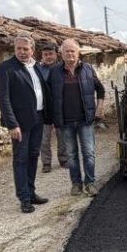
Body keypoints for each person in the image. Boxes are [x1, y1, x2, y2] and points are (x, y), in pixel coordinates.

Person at [0, 33, 50, 213]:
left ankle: (31, 192)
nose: (22, 52)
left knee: (33, 156)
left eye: (26, 49)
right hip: (20, 123)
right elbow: (3, 98)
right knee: (20, 160)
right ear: (14, 49)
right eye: (18, 48)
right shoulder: (6, 68)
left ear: (32, 50)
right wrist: (12, 124)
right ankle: (24, 198)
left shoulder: (36, 67)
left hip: (38, 118)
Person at [47, 38, 105, 197]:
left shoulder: (88, 69)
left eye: (73, 51)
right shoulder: (54, 73)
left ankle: (90, 183)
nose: (70, 54)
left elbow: (101, 90)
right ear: (61, 54)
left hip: (85, 120)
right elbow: (49, 97)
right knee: (71, 155)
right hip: (65, 122)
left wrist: (99, 108)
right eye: (66, 51)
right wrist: (52, 119)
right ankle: (76, 184)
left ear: (78, 52)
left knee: (89, 153)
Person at [38, 43, 67, 173]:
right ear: (42, 56)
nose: (48, 57)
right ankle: (46, 162)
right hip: (43, 110)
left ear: (56, 54)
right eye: (45, 55)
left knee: (62, 136)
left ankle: (64, 159)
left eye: (51, 54)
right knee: (44, 139)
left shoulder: (62, 69)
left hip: (60, 108)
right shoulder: (37, 70)